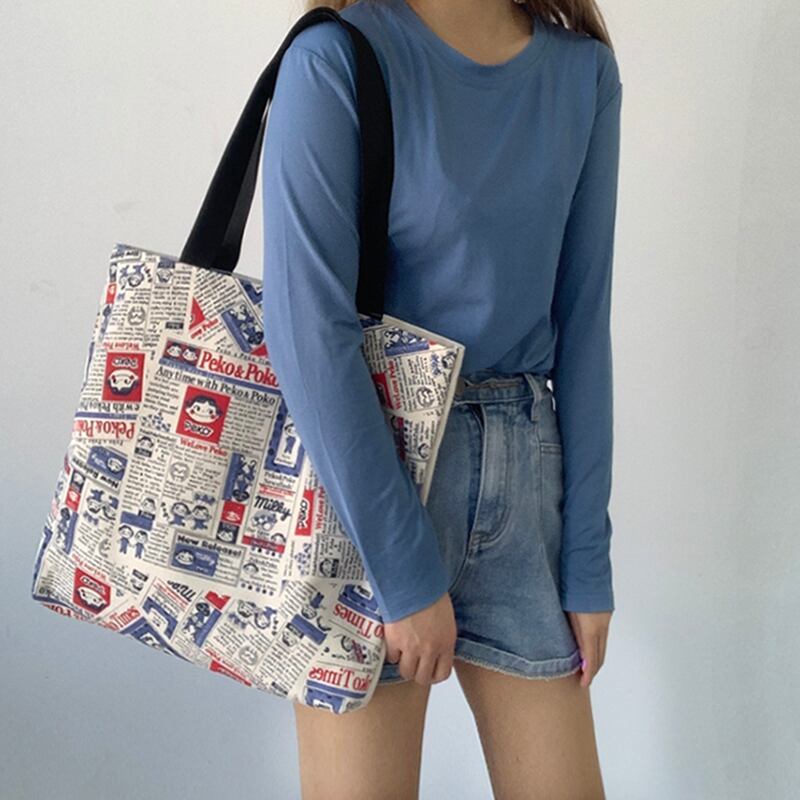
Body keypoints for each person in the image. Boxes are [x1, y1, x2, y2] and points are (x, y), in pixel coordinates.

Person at [260, 0, 621, 796]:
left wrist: (587, 560)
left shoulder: (582, 74)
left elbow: (584, 320)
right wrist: (403, 571)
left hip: (527, 483)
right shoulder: (336, 57)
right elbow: (306, 329)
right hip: (368, 490)